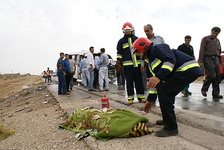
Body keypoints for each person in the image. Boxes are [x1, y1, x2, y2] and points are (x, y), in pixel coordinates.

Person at [132, 37, 203, 137]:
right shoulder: (150, 62)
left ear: (143, 48)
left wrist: (158, 76)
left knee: (165, 93)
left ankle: (171, 128)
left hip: (187, 69)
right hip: (183, 71)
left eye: (138, 52)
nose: (138, 55)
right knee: (162, 89)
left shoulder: (157, 48)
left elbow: (170, 60)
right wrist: (150, 100)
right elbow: (155, 84)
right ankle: (167, 120)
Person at [116, 22, 146, 104]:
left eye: (129, 30)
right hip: (127, 66)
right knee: (129, 82)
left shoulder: (137, 39)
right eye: (126, 31)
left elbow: (142, 52)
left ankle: (141, 97)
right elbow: (119, 54)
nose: (127, 32)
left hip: (138, 65)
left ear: (132, 30)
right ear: (123, 31)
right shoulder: (121, 41)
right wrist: (119, 64)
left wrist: (143, 64)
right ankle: (130, 98)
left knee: (139, 81)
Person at [198, 27, 223, 99]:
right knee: (212, 75)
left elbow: (219, 52)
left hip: (216, 59)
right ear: (211, 31)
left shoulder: (217, 41)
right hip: (207, 58)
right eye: (214, 32)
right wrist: (200, 61)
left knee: (218, 77)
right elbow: (202, 50)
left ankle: (215, 94)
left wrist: (221, 62)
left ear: (218, 33)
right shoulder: (205, 39)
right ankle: (204, 89)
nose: (214, 34)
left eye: (216, 33)